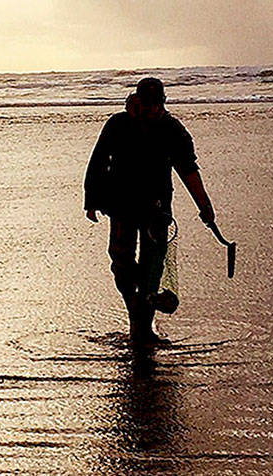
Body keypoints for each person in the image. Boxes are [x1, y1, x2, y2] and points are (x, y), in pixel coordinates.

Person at [84, 76, 216, 344]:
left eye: (156, 104)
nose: (152, 109)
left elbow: (188, 170)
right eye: (147, 103)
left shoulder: (173, 129)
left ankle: (142, 325)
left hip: (157, 209)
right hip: (121, 205)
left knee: (153, 267)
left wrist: (205, 206)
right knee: (121, 262)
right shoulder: (118, 124)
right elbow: (98, 161)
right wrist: (91, 200)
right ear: (137, 100)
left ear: (163, 102)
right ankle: (137, 312)